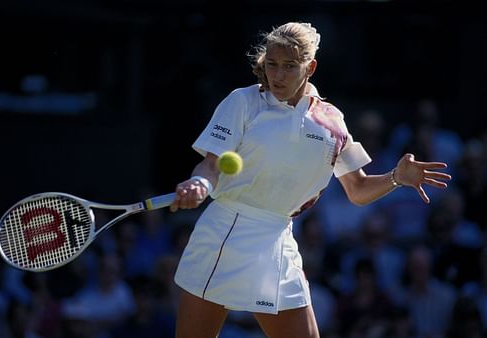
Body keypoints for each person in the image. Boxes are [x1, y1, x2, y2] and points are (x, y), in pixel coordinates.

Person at [168, 21, 451, 338]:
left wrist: (396, 177)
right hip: (223, 237)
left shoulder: (332, 121)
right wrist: (201, 185)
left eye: (290, 66)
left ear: (310, 67)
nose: (278, 75)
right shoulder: (242, 102)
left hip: (279, 241)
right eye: (272, 65)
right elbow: (211, 165)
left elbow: (357, 189)